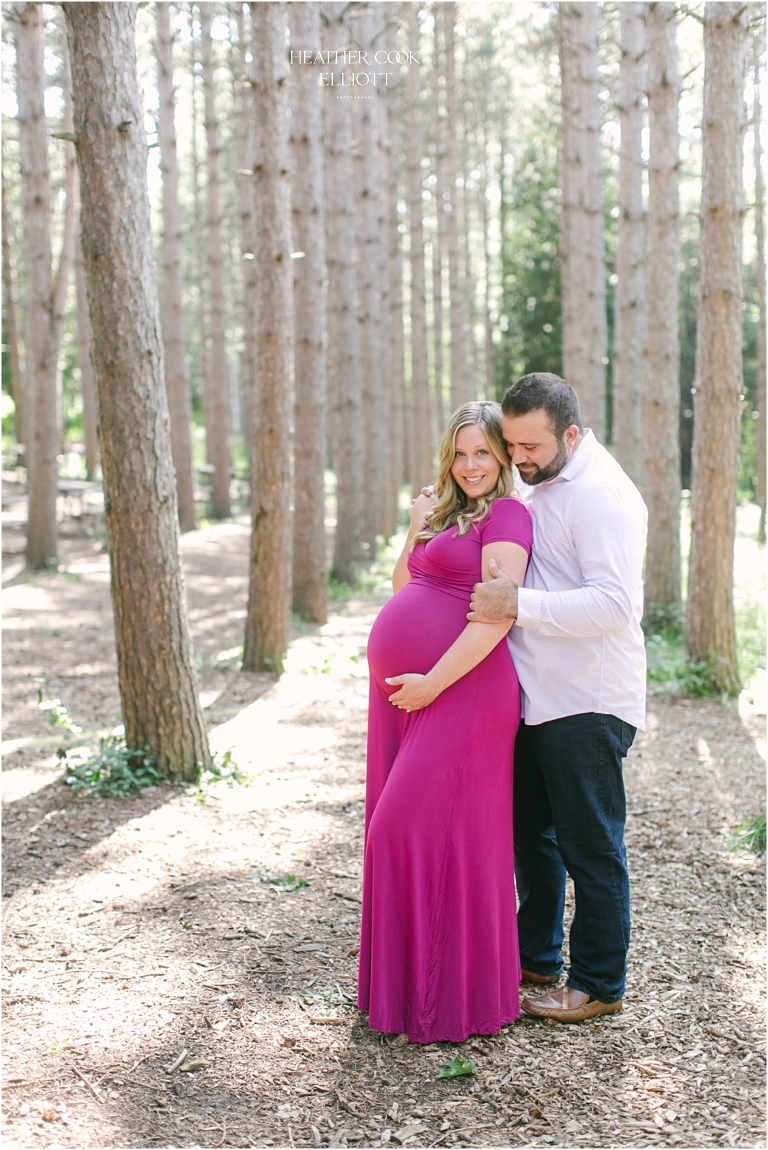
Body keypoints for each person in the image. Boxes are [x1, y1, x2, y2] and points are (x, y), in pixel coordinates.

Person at [468, 372, 647, 1023]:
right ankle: (536, 956)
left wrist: (519, 604)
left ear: (570, 434)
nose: (518, 458)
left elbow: (614, 606)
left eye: (531, 446)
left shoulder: (601, 495)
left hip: (588, 702)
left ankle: (599, 984)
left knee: (590, 848)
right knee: (533, 841)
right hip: (539, 702)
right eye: (511, 445)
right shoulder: (545, 483)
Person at [358, 401, 533, 1044]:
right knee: (425, 838)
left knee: (399, 828)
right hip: (408, 695)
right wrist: (414, 527)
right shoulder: (449, 514)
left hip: (464, 691)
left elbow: (496, 615)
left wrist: (432, 682)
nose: (470, 465)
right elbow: (403, 584)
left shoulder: (510, 516)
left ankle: (448, 999)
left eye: (482, 452)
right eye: (460, 453)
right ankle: (404, 998)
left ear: (503, 456)